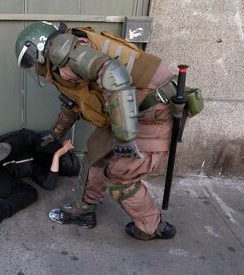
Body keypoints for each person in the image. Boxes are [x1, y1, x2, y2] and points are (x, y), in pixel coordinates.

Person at [14, 21, 191, 241]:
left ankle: (151, 227)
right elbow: (73, 104)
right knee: (96, 154)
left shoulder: (64, 50)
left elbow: (113, 74)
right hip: (128, 109)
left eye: (32, 61)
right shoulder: (63, 60)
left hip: (152, 109)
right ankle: (84, 210)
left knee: (120, 176)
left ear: (38, 48)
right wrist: (55, 134)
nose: (36, 68)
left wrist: (125, 137)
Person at [0, 129, 80, 241]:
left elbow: (50, 184)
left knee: (30, 193)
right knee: (27, 139)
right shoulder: (32, 141)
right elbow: (38, 140)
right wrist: (58, 147)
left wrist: (58, 154)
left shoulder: (39, 169)